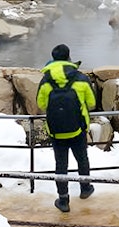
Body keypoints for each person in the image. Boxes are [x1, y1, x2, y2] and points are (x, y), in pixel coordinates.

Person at [37, 44, 96, 213]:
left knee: (60, 165)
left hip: (56, 131)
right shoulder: (80, 78)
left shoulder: (46, 80)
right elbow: (91, 102)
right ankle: (85, 189)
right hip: (78, 128)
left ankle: (63, 200)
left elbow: (41, 103)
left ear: (53, 58)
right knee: (82, 158)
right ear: (69, 56)